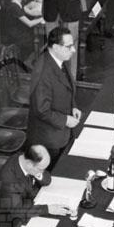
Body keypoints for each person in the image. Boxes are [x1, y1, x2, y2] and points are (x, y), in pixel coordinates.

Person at [27, 26, 81, 167]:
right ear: (56, 47)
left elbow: (66, 87)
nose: (73, 50)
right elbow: (41, 110)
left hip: (61, 133)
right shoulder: (43, 72)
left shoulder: (59, 59)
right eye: (69, 46)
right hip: (49, 141)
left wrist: (73, 106)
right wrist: (65, 120)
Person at [0, 144, 68, 227]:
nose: (42, 172)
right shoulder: (8, 180)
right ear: (29, 164)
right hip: (12, 217)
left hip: (30, 200)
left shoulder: (26, 159)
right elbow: (17, 210)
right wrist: (47, 209)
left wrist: (38, 173)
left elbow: (47, 180)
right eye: (41, 169)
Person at [5, 0, 45, 68]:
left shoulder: (19, 2)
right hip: (15, 34)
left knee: (40, 37)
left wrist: (42, 12)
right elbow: (29, 23)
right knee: (40, 38)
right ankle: (31, 62)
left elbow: (28, 11)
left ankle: (34, 60)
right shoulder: (14, 6)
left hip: (20, 30)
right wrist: (43, 18)